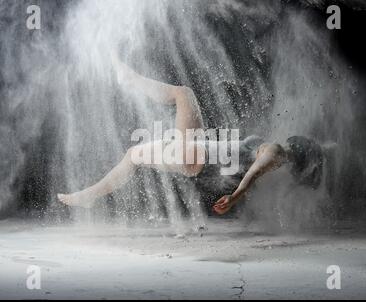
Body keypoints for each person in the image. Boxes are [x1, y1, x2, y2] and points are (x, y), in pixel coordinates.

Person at [58, 51, 324, 215]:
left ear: (297, 149)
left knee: (183, 93)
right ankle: (89, 197)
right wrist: (324, 149)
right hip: (197, 153)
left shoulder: (277, 151)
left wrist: (236, 196)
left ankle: (129, 78)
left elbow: (254, 173)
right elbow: (253, 170)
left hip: (198, 153)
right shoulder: (275, 158)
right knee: (132, 156)